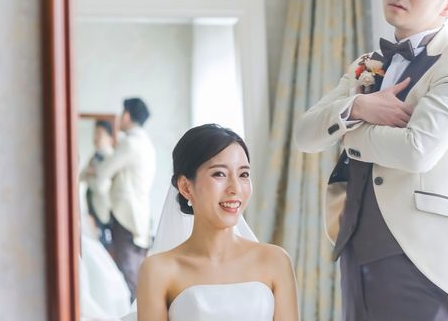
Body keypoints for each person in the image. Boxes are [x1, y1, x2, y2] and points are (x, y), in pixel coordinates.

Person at [294, 0, 448, 321]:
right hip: (353, 246)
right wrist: (359, 105)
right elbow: (305, 134)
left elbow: (417, 152)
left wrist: (350, 130)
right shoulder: (368, 64)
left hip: (420, 256)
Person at [135, 124, 299, 321]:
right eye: (219, 174)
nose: (235, 188)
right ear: (186, 187)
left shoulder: (276, 261)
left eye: (244, 174)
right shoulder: (158, 270)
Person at [94, 97, 156, 301]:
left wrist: (102, 201)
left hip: (125, 216)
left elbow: (103, 172)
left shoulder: (130, 143)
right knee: (137, 275)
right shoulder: (147, 144)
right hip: (141, 218)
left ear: (127, 116)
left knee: (128, 276)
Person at [80, 119, 115, 248]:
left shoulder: (111, 158)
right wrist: (91, 174)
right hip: (92, 209)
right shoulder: (94, 156)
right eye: (94, 133)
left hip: (103, 212)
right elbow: (81, 177)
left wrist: (91, 175)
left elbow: (102, 187)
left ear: (109, 138)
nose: (95, 137)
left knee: (102, 248)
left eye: (99, 134)